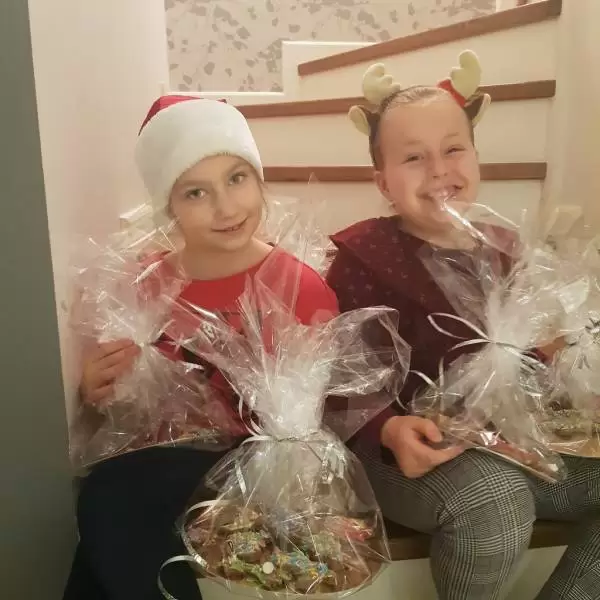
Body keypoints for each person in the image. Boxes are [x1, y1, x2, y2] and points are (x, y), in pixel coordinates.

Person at [326, 51, 600, 600]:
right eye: (413, 157)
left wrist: (559, 364)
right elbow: (343, 371)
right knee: (495, 501)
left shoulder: (507, 250)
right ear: (383, 182)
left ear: (476, 157)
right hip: (402, 449)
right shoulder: (364, 256)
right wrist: (387, 427)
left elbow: (528, 360)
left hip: (505, 438)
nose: (438, 170)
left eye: (453, 149)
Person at [63, 96, 339, 600]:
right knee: (113, 500)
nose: (226, 207)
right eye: (196, 192)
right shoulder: (142, 286)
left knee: (111, 501)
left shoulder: (300, 288)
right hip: (157, 468)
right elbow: (121, 406)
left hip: (253, 467)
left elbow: (313, 418)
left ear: (259, 180)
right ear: (169, 207)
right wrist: (96, 389)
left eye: (237, 178)